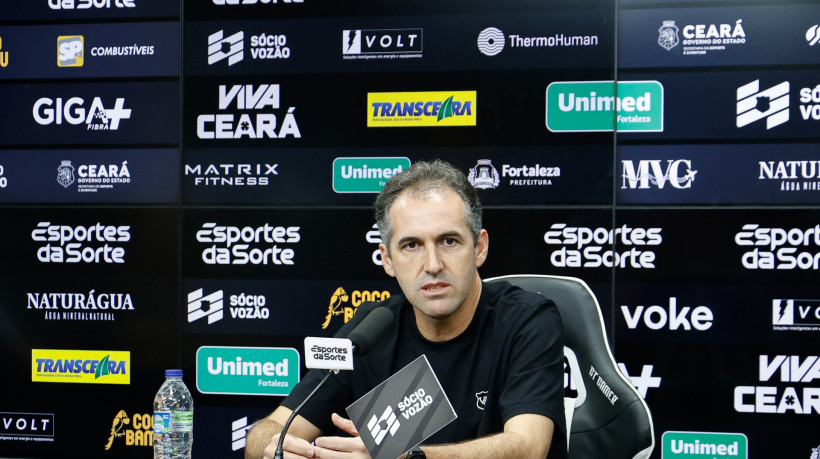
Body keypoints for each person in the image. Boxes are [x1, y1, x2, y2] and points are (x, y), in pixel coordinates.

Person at [246, 160, 566, 459]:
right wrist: (280, 449)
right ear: (387, 259)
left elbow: (528, 447)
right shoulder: (371, 331)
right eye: (412, 246)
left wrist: (407, 456)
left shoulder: (528, 320)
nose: (432, 265)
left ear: (479, 247)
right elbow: (268, 432)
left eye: (449, 241)